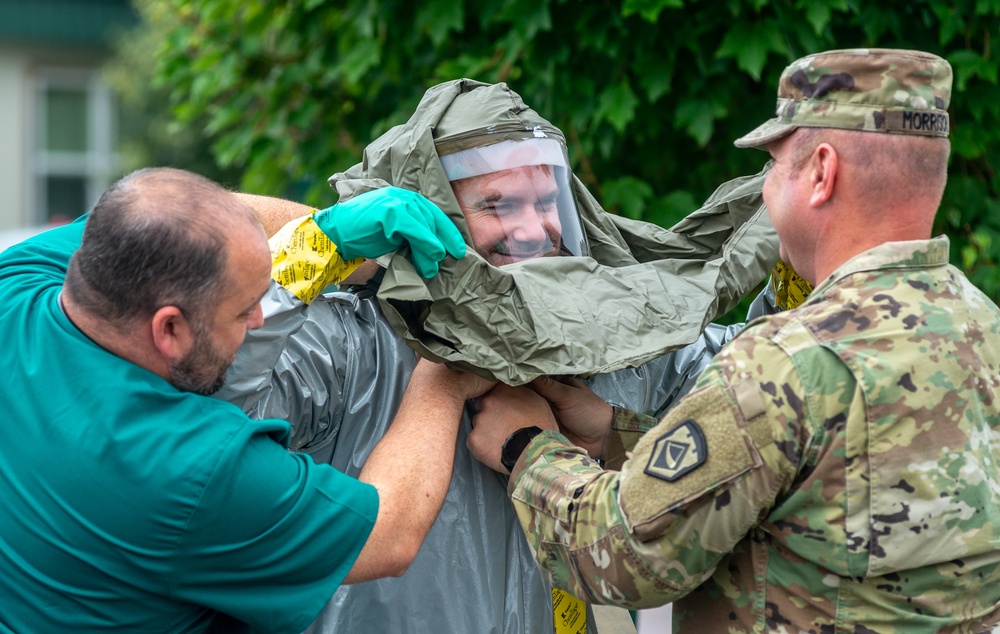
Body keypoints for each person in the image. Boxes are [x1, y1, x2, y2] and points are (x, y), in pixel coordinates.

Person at [215, 79, 780, 633]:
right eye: (499, 205)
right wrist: (317, 245)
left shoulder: (609, 339)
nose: (535, 230)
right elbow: (211, 412)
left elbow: (771, 380)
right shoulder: (349, 339)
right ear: (434, 210)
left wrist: (799, 235)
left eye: (546, 200)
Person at [465, 48, 1000, 632]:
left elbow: (624, 555)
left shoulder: (788, 363)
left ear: (822, 173)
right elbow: (787, 475)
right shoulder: (982, 327)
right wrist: (612, 432)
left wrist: (527, 446)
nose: (766, 190)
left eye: (774, 166)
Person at [0, 167, 495, 632]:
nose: (261, 319)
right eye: (243, 312)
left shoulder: (16, 285)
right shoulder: (190, 469)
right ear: (170, 328)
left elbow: (188, 212)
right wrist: (445, 374)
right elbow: (389, 532)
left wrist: (326, 235)